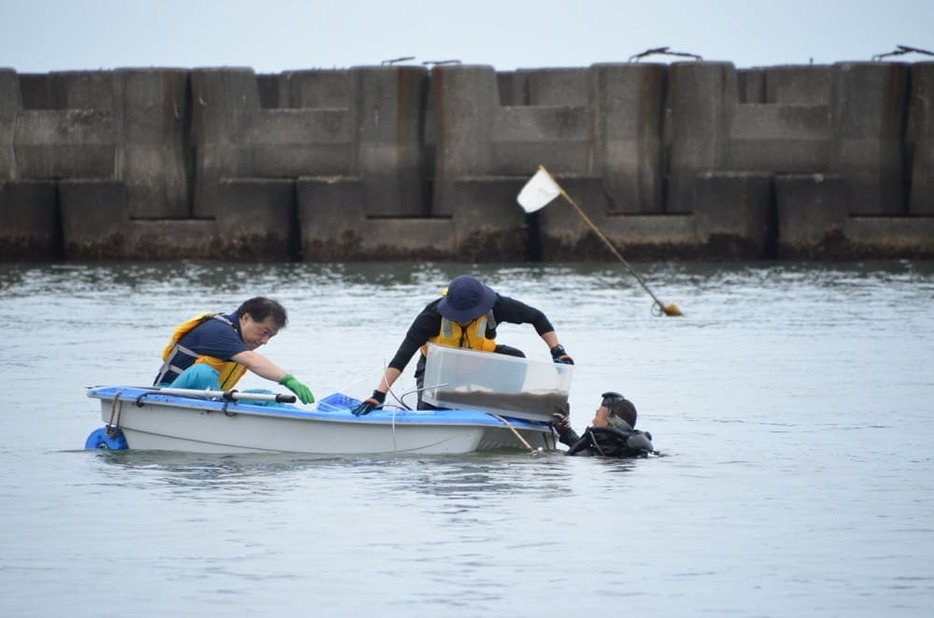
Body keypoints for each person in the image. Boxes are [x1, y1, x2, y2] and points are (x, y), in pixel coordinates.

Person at [351, 274, 574, 415]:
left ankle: (508, 409)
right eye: (459, 314)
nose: (465, 318)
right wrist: (378, 395)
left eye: (470, 314)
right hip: (438, 371)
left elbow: (537, 317)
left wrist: (557, 351)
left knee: (516, 356)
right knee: (429, 410)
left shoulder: (497, 305)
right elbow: (402, 357)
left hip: (479, 364)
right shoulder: (431, 316)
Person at [153, 297, 315, 404]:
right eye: (264, 332)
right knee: (203, 372)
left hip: (210, 398)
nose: (265, 341)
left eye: (270, 337)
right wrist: (287, 379)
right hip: (167, 395)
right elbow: (252, 361)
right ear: (245, 318)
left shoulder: (236, 338)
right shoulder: (218, 330)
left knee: (265, 396)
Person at [551, 391, 654, 457]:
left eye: (597, 416)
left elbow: (583, 449)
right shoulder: (630, 452)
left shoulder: (592, 457)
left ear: (611, 422)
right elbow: (583, 445)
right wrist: (566, 432)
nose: (593, 421)